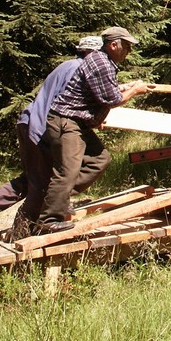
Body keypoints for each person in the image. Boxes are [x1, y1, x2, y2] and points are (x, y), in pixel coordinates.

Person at [0, 36, 104, 236]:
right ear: (90, 54)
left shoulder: (67, 66)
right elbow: (69, 106)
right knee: (42, 184)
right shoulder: (80, 70)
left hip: (30, 122)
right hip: (42, 127)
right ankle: (21, 234)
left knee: (35, 179)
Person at [36, 26, 151, 233]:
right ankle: (49, 220)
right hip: (66, 122)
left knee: (100, 159)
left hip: (77, 123)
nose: (129, 52)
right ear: (113, 45)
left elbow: (103, 91)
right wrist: (135, 90)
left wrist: (126, 86)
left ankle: (58, 198)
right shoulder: (101, 64)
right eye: (126, 46)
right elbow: (112, 99)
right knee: (67, 171)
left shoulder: (103, 61)